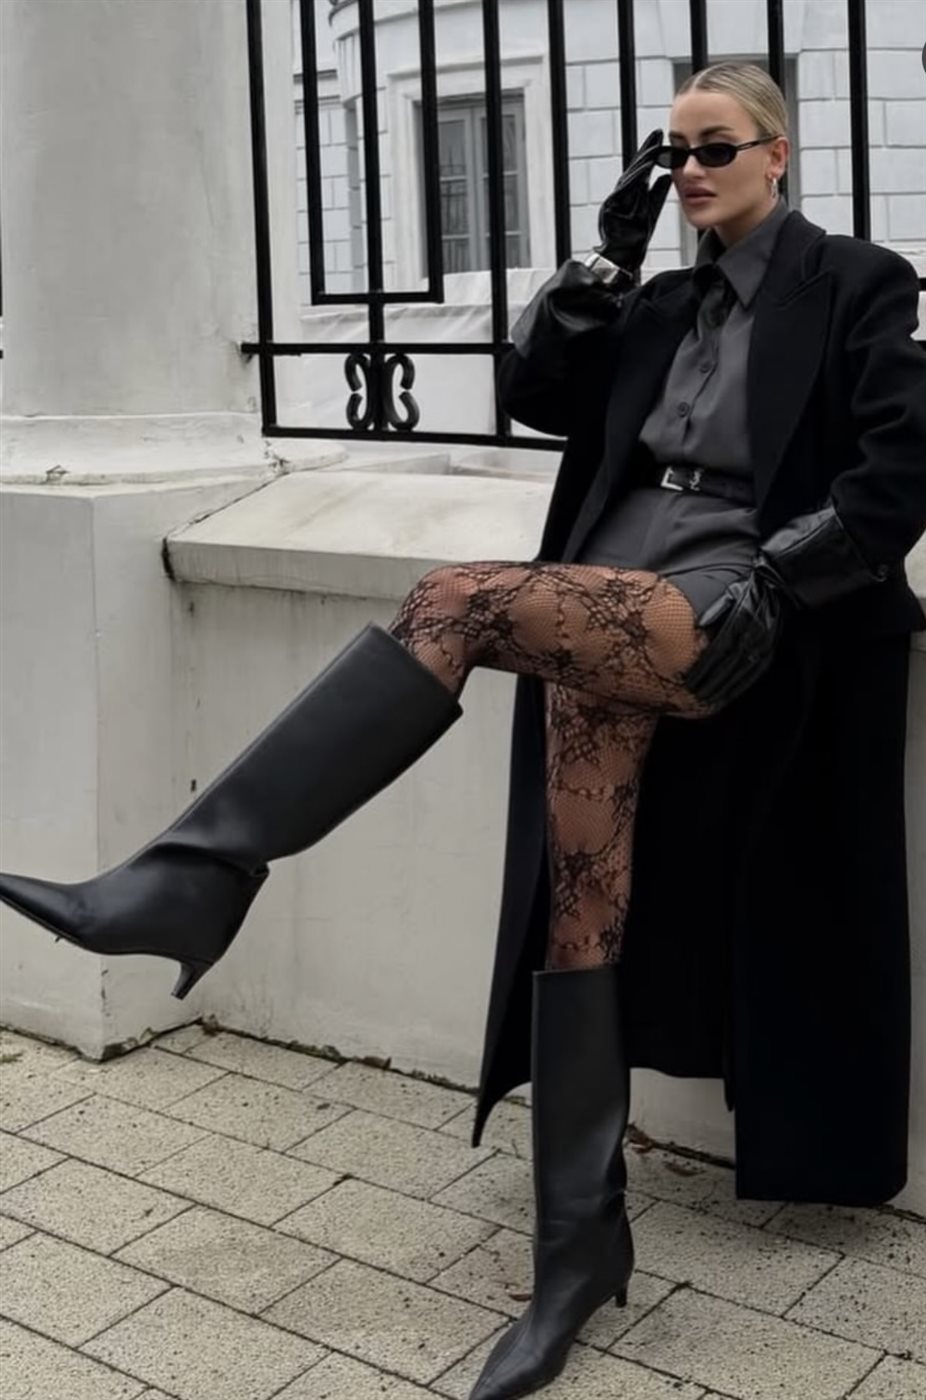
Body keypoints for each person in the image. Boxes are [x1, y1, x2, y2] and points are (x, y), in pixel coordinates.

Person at [1, 60, 924, 1400]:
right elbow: (539, 396)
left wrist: (786, 576)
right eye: (668, 153)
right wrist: (596, 268)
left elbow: (900, 464)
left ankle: (198, 874)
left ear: (777, 153)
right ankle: (576, 1252)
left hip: (728, 597)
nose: (687, 173)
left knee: (454, 598)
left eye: (714, 148)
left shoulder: (851, 281)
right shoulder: (660, 300)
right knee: (579, 907)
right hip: (604, 590)